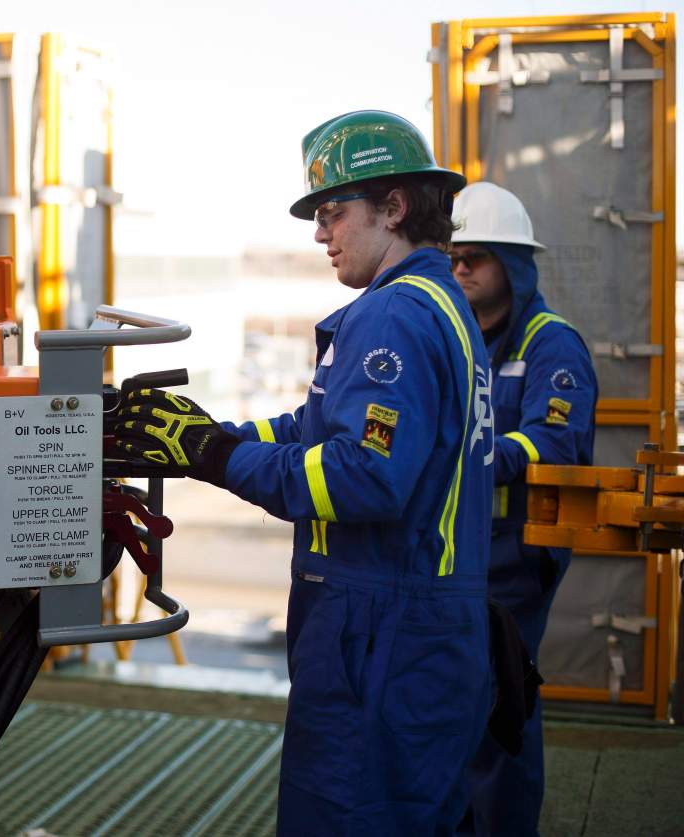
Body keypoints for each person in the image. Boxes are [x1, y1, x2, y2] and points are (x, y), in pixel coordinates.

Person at [114, 110, 495, 834]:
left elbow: (363, 476)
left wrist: (213, 456)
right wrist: (203, 439)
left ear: (393, 207)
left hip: (381, 633)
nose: (319, 233)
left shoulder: (392, 318)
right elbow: (312, 431)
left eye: (332, 212)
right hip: (421, 630)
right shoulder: (441, 307)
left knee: (349, 815)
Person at [450, 182, 597, 836]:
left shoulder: (551, 346)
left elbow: (555, 439)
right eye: (453, 256)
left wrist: (479, 456)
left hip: (516, 557)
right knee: (455, 702)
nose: (459, 269)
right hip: (460, 554)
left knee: (502, 700)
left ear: (513, 265)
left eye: (474, 258)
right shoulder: (455, 335)